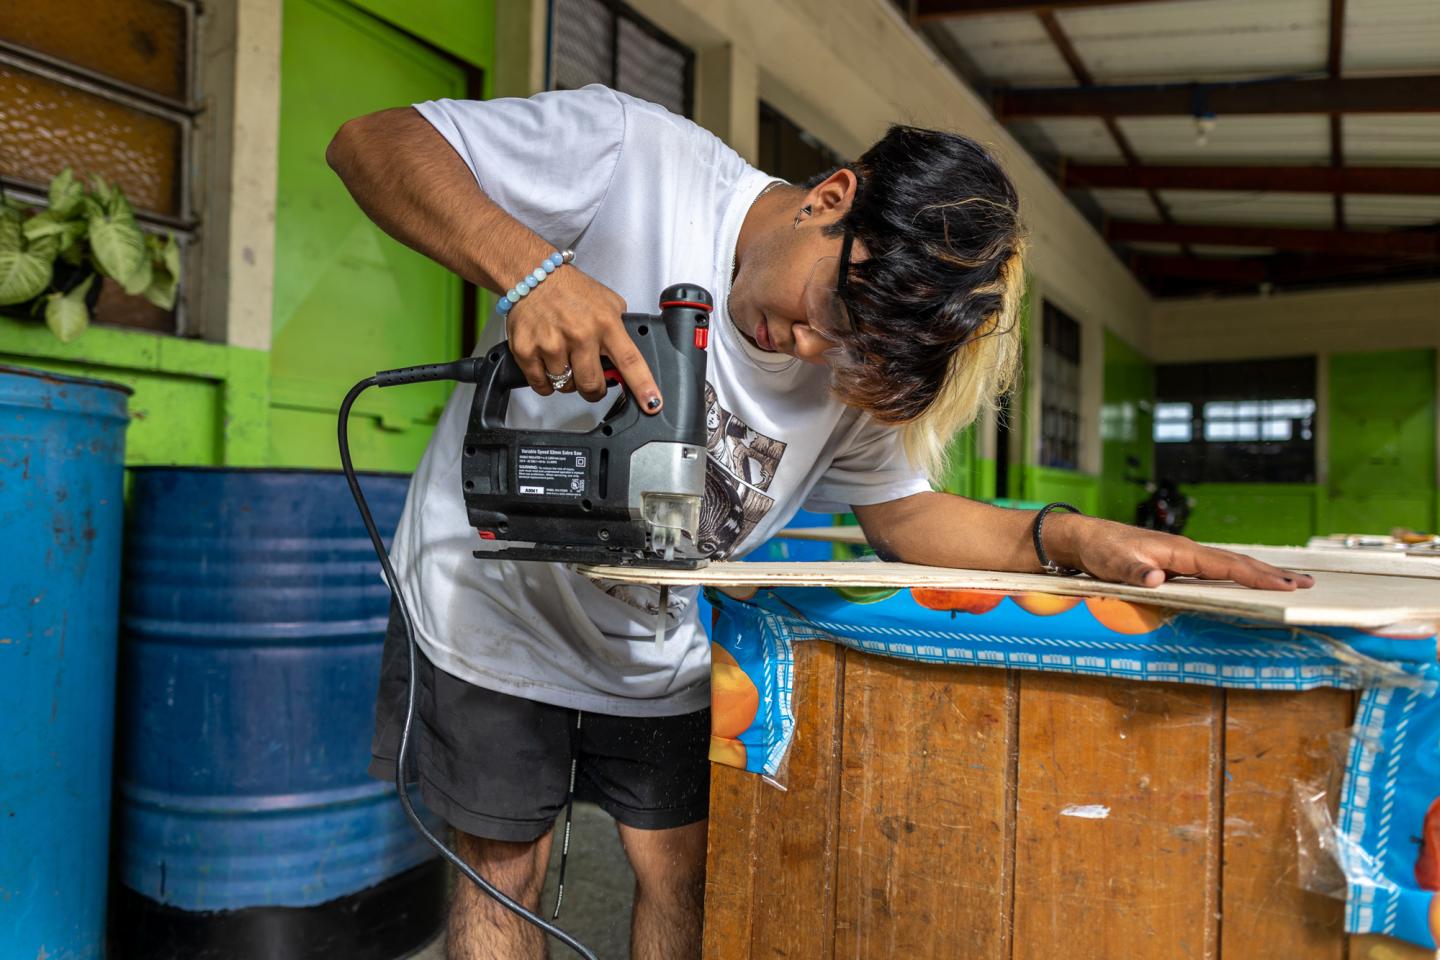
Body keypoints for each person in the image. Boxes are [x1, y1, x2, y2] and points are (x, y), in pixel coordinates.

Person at [326, 84, 1311, 960]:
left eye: (839, 350)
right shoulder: (635, 158)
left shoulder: (854, 362)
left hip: (658, 637)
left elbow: (906, 516)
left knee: (687, 874)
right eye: (819, 311)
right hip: (489, 598)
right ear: (831, 199)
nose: (804, 348)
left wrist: (1071, 538)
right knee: (507, 872)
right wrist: (531, 269)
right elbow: (370, 140)